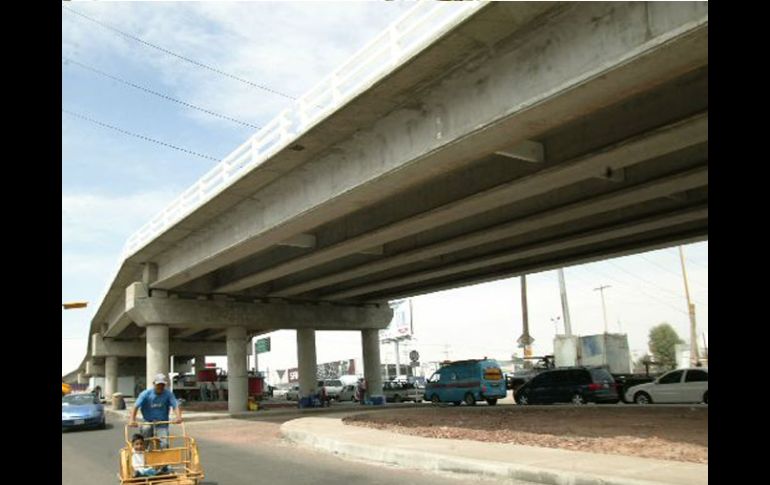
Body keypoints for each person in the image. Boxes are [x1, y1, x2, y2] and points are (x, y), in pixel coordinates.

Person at [129, 373, 182, 451]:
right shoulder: (145, 394)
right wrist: (132, 420)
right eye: (158, 384)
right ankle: (143, 452)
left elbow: (175, 405)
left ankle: (163, 462)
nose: (160, 387)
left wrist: (178, 417)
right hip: (148, 421)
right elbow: (135, 406)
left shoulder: (168, 394)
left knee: (165, 445)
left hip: (162, 423)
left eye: (162, 385)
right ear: (154, 384)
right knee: (146, 430)